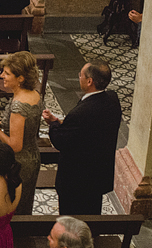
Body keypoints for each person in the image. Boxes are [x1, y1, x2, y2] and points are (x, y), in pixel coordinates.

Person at [43, 60, 123, 215]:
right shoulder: (112, 99)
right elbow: (88, 130)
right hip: (98, 175)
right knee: (92, 214)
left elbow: (60, 141)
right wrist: (62, 123)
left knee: (72, 222)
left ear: (89, 81)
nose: (78, 77)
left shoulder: (81, 114)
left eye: (80, 75)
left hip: (76, 180)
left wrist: (53, 124)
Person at [0, 51, 43, 215]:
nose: (2, 75)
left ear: (21, 78)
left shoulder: (19, 106)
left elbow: (15, 145)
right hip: (32, 155)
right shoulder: (34, 94)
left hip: (20, 163)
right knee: (24, 201)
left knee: (15, 205)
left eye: (7, 73)